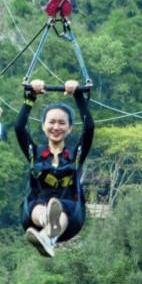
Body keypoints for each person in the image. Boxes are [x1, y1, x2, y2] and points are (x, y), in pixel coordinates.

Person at [14, 79, 94, 257]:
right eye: (51, 122)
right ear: (43, 126)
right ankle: (46, 230)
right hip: (34, 214)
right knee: (41, 207)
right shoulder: (35, 153)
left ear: (70, 128)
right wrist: (30, 97)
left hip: (70, 215)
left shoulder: (76, 155)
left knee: (59, 207)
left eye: (61, 123)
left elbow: (89, 128)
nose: (56, 127)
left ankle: (50, 231)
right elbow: (19, 127)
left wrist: (79, 96)